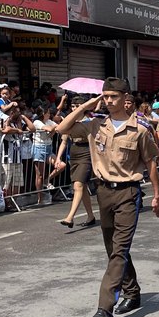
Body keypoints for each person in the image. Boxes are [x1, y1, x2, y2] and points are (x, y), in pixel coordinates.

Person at [55, 77, 159, 317]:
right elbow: (61, 130)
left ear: (126, 99)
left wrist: (157, 195)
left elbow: (151, 163)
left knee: (119, 249)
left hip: (128, 193)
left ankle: (105, 307)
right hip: (103, 192)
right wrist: (83, 107)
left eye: (113, 96)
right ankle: (132, 291)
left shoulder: (141, 129)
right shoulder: (95, 125)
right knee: (114, 248)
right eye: (105, 96)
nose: (108, 101)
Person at [54, 96, 97, 228]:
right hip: (74, 152)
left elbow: (93, 142)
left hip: (86, 153)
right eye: (72, 106)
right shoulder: (70, 122)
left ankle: (70, 217)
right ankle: (91, 216)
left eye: (77, 106)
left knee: (78, 185)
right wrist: (58, 158)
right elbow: (64, 140)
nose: (74, 108)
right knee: (81, 187)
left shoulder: (90, 121)